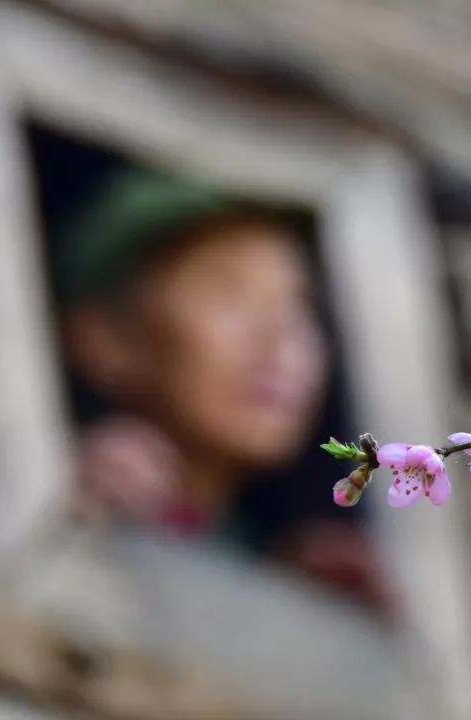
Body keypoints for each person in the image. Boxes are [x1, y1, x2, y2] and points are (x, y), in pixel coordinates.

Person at [55, 169, 384, 605]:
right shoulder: (64, 477)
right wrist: (62, 488)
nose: (279, 339)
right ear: (108, 339)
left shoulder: (277, 554)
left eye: (299, 305)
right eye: (228, 294)